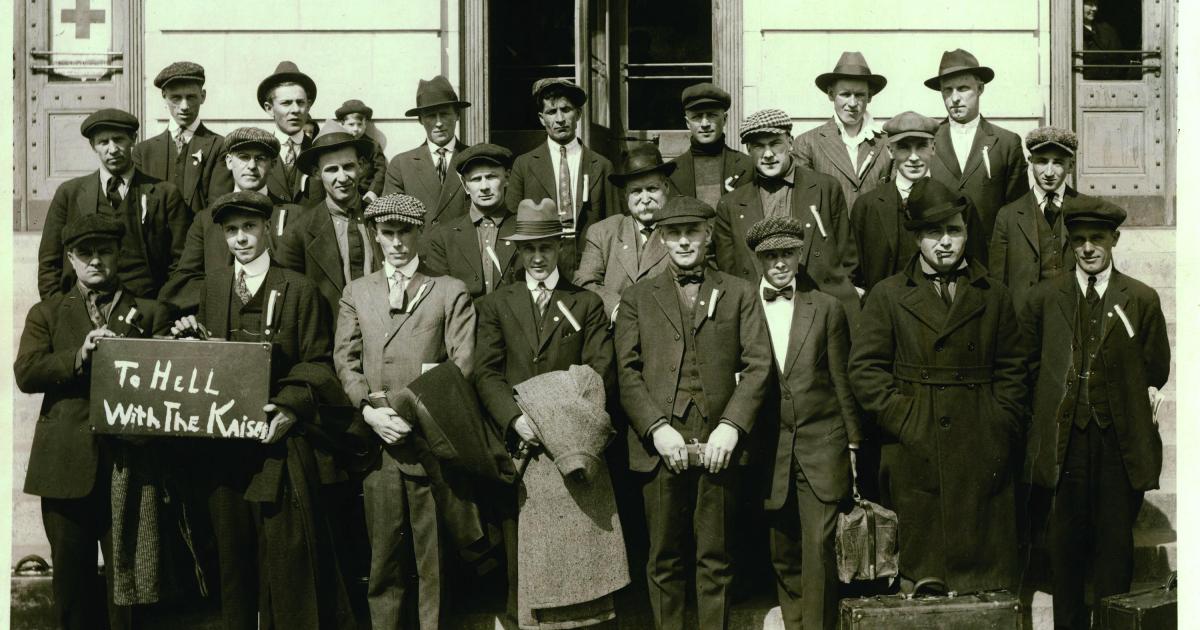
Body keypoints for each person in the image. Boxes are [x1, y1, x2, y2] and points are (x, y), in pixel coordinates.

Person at [170, 190, 355, 630]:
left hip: (280, 448)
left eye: (248, 228)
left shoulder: (298, 288)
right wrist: (190, 343)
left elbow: (318, 363)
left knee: (285, 568)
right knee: (232, 565)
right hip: (225, 452)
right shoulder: (212, 287)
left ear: (267, 230)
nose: (240, 239)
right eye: (231, 231)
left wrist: (290, 409)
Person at [848, 181, 1025, 594]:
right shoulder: (888, 295)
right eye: (933, 232)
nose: (945, 243)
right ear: (916, 237)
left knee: (982, 586)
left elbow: (1014, 369)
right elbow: (866, 371)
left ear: (966, 233)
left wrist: (998, 422)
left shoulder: (993, 295)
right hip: (915, 448)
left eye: (955, 231)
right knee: (922, 580)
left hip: (982, 444)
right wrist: (907, 420)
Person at [615, 195, 771, 630]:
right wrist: (655, 427)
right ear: (662, 238)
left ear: (707, 236)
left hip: (719, 445)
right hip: (660, 446)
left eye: (692, 233)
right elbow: (626, 372)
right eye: (674, 233)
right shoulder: (637, 297)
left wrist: (731, 426)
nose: (684, 242)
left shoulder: (739, 292)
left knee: (716, 558)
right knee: (664, 558)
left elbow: (758, 366)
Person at [1019, 197, 1170, 630]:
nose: (1087, 248)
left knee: (1113, 553)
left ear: (1115, 240)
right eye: (1079, 239)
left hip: (1116, 447)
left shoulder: (1140, 297)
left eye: (1097, 239)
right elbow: (1028, 366)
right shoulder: (1045, 298)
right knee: (1065, 554)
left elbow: (1155, 365)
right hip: (1064, 446)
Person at [16, 215, 173, 630]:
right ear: (70, 258)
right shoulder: (46, 313)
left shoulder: (150, 312)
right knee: (72, 590)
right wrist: (77, 356)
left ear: (119, 254)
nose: (96, 260)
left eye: (105, 250)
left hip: (130, 464)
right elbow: (26, 373)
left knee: (130, 590)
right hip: (65, 467)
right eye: (85, 253)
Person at [333, 193, 475, 629]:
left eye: (404, 233)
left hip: (427, 442)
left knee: (434, 563)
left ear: (420, 233)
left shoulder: (449, 290)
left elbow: (461, 364)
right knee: (384, 562)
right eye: (388, 233)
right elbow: (345, 360)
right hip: (380, 447)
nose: (397, 243)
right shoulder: (358, 291)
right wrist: (369, 411)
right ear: (376, 236)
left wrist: (407, 412)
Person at [471, 198, 614, 622]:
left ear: (561, 250)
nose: (537, 257)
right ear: (517, 249)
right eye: (529, 248)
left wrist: (556, 424)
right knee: (523, 555)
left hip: (569, 446)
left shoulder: (585, 303)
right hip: (520, 446)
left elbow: (598, 370)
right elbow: (486, 371)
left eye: (546, 247)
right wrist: (516, 420)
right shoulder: (497, 304)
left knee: (576, 554)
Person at [747, 216, 859, 630]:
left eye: (787, 254)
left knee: (818, 547)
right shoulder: (745, 305)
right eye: (771, 256)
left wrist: (853, 443)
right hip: (769, 448)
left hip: (821, 444)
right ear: (759, 259)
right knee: (784, 550)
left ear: (799, 255)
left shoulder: (826, 307)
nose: (779, 263)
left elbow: (842, 379)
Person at [714, 108, 860, 319]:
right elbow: (729, 269)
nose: (768, 154)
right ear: (748, 149)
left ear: (790, 142)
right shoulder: (731, 204)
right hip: (759, 312)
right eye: (758, 146)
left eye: (775, 144)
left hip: (822, 307)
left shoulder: (824, 188)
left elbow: (847, 255)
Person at [38, 108, 189, 300]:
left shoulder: (164, 193)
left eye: (118, 139)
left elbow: (181, 261)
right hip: (83, 307)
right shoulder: (69, 193)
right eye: (103, 142)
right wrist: (58, 311)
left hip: (146, 306)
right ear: (93, 145)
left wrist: (163, 308)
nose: (113, 149)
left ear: (133, 139)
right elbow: (49, 262)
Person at [851, 111, 988, 294]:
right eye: (904, 148)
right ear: (890, 151)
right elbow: (855, 273)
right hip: (887, 313)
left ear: (933, 148)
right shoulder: (867, 206)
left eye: (922, 146)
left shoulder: (959, 202)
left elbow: (977, 268)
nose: (914, 157)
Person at [160, 127, 284, 313]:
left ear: (273, 164)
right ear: (228, 161)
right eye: (243, 157)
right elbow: (186, 277)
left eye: (260, 158)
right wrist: (225, 294)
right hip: (219, 317)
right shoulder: (206, 219)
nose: (251, 166)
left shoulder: (291, 215)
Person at [506, 78, 618, 280]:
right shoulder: (524, 165)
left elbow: (615, 225)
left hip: (591, 265)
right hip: (540, 263)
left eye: (566, 110)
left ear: (578, 114)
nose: (559, 119)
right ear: (542, 118)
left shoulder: (601, 165)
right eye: (551, 112)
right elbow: (512, 221)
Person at [275, 121, 382, 319]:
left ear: (361, 167)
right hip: (328, 342)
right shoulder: (299, 233)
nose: (342, 178)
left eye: (348, 167)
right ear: (317, 173)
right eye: (332, 170)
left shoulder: (382, 221)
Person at [926, 49, 1027, 247]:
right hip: (940, 252)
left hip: (989, 257)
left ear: (980, 89)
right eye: (947, 90)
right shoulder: (928, 140)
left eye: (963, 88)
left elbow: (1018, 211)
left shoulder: (1006, 143)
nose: (955, 98)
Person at [575, 143, 674, 320]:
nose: (645, 199)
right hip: (615, 332)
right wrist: (618, 309)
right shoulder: (602, 232)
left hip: (666, 331)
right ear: (625, 195)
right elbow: (585, 282)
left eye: (652, 189)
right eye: (636, 191)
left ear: (666, 187)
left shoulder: (681, 230)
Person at [989, 127, 1080, 312]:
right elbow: (997, 280)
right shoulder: (1008, 215)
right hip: (1024, 319)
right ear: (1030, 163)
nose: (1048, 172)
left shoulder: (1086, 207)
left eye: (1058, 163)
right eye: (1042, 162)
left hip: (1072, 316)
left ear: (1071, 165)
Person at [794, 52, 892, 210]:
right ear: (831, 94)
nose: (852, 103)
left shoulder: (887, 143)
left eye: (859, 95)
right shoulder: (807, 143)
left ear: (870, 97)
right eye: (845, 94)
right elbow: (805, 202)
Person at [425, 143, 522, 300]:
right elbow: (439, 297)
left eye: (491, 177)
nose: (484, 187)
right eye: (476, 179)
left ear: (507, 178)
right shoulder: (443, 237)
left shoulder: (525, 229)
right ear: (465, 185)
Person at [133, 61, 226, 213]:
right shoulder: (143, 152)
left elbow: (217, 207)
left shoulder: (220, 146)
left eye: (191, 97)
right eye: (176, 98)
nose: (184, 106)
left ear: (203, 97)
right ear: (164, 96)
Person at [383, 75, 472, 230]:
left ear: (457, 115)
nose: (438, 123)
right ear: (420, 120)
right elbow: (392, 221)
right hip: (420, 252)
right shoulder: (401, 164)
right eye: (431, 116)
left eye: (444, 114)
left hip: (463, 251)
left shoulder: (473, 158)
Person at [667, 82, 753, 208]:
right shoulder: (672, 172)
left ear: (724, 119)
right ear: (687, 123)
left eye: (712, 115)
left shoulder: (747, 166)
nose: (705, 123)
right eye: (697, 116)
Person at [255, 61, 324, 205]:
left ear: (308, 105)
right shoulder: (256, 154)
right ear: (269, 108)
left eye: (300, 102)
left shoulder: (320, 153)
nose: (295, 110)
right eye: (286, 103)